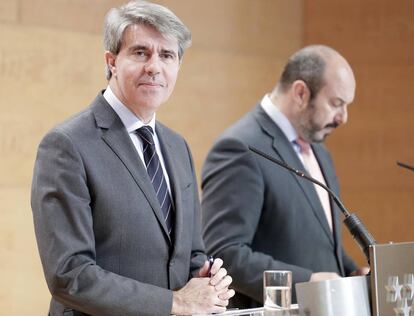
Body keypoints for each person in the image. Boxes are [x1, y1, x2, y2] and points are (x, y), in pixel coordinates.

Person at [31, 1, 234, 315]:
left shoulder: (178, 146)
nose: (154, 66)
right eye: (141, 53)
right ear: (112, 61)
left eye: (167, 55)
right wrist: (176, 302)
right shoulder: (67, 145)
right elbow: (69, 274)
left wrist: (204, 277)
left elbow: (191, 252)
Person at [201, 45, 369, 308]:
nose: (343, 118)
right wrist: (305, 282)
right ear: (301, 93)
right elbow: (224, 254)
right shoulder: (241, 148)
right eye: (336, 103)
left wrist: (352, 275)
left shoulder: (320, 151)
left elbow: (319, 245)